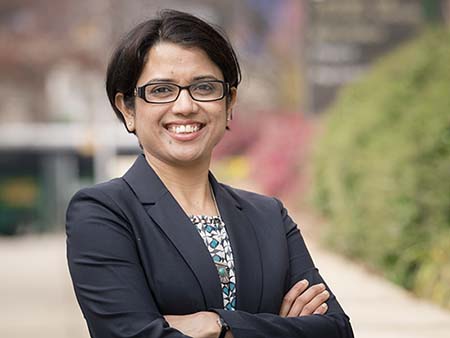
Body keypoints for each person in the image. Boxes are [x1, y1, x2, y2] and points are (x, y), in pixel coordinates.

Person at [66, 9, 354, 338]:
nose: (185, 106)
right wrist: (283, 328)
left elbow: (336, 330)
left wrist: (216, 324)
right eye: (161, 90)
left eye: (204, 87)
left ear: (229, 102)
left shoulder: (268, 217)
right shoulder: (103, 213)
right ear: (128, 109)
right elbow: (130, 334)